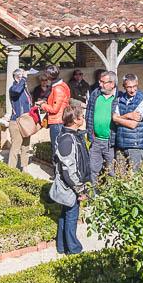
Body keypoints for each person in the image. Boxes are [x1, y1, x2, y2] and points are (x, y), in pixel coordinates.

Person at [50, 101, 90, 254]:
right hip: (70, 187)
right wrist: (80, 189)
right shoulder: (67, 139)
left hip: (70, 185)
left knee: (65, 215)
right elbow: (68, 171)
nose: (84, 118)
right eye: (82, 116)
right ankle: (73, 249)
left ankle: (61, 246)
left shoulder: (68, 135)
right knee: (71, 216)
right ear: (75, 120)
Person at [109, 73, 143, 174]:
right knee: (120, 176)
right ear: (124, 86)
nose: (132, 90)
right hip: (120, 143)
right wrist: (129, 115)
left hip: (135, 145)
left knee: (135, 176)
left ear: (137, 84)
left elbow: (133, 125)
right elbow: (114, 119)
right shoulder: (120, 99)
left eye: (134, 86)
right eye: (129, 87)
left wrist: (118, 118)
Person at [82, 70, 117, 185]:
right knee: (93, 170)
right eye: (99, 81)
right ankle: (94, 195)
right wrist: (90, 133)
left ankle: (111, 197)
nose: (100, 84)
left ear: (112, 84)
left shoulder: (118, 98)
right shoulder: (95, 94)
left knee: (112, 172)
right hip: (96, 140)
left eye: (103, 82)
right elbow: (89, 113)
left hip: (110, 143)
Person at [3, 67, 35, 172]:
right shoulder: (13, 88)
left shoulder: (24, 89)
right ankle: (11, 170)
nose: (25, 80)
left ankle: (24, 167)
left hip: (26, 121)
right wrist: (23, 79)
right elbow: (17, 91)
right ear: (18, 78)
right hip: (16, 121)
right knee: (16, 146)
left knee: (26, 145)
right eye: (22, 77)